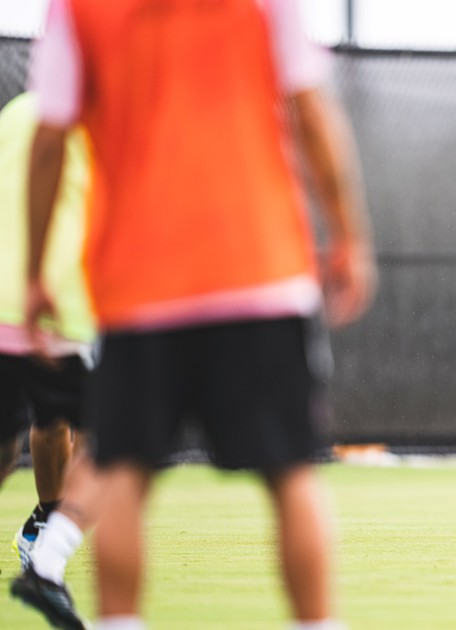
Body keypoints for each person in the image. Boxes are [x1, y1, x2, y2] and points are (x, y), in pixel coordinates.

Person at [12, 0, 377, 628]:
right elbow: (311, 111)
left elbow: (50, 142)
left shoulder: (77, 9)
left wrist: (35, 273)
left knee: (123, 472)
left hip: (138, 284)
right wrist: (349, 234)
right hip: (259, 270)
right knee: (291, 473)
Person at [1, 91, 103, 630]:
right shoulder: (97, 115)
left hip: (11, 302)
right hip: (59, 306)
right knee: (113, 442)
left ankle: (43, 525)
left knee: (29, 431)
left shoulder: (15, 112)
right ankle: (47, 554)